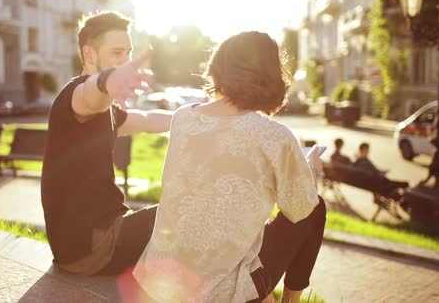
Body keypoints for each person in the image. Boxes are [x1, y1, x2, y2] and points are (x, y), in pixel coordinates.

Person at [132, 32, 326, 303]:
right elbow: (300, 208)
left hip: (159, 279)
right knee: (316, 209)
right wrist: (310, 172)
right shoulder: (274, 136)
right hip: (219, 292)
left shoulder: (184, 117)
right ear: (270, 75)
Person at [41, 12, 173, 276]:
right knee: (195, 211)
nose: (125, 61)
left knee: (191, 218)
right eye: (116, 53)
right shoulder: (75, 96)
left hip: (91, 241)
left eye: (128, 53)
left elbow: (146, 119)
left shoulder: (107, 109)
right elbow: (90, 96)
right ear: (89, 55)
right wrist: (106, 81)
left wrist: (202, 114)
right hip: (93, 247)